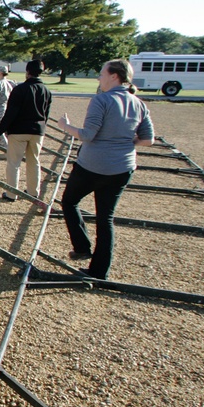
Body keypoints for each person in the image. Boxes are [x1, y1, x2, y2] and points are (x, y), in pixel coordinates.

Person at [58, 59, 154, 280]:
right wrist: (126, 143)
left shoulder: (101, 100)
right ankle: (99, 271)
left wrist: (65, 126)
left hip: (92, 165)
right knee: (105, 218)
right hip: (122, 167)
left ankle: (82, 247)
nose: (99, 78)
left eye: (102, 73)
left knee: (70, 201)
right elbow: (148, 139)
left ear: (114, 76)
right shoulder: (138, 103)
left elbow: (88, 135)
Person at [0, 60, 52, 206]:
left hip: (19, 131)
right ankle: (33, 191)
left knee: (14, 162)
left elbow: (11, 112)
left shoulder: (20, 89)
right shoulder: (46, 90)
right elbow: (46, 113)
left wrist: (0, 129)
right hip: (38, 130)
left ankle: (11, 192)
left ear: (27, 72)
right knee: (34, 161)